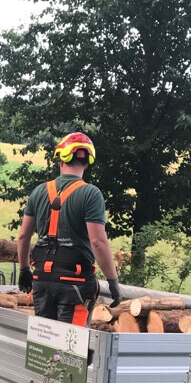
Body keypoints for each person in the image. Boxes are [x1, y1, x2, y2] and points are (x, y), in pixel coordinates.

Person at [16, 132, 121, 326]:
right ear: (87, 163)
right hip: (75, 284)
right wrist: (113, 281)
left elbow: (23, 236)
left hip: (42, 280)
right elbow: (98, 242)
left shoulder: (39, 191)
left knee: (46, 344)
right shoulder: (91, 193)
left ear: (61, 160)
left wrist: (24, 269)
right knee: (68, 351)